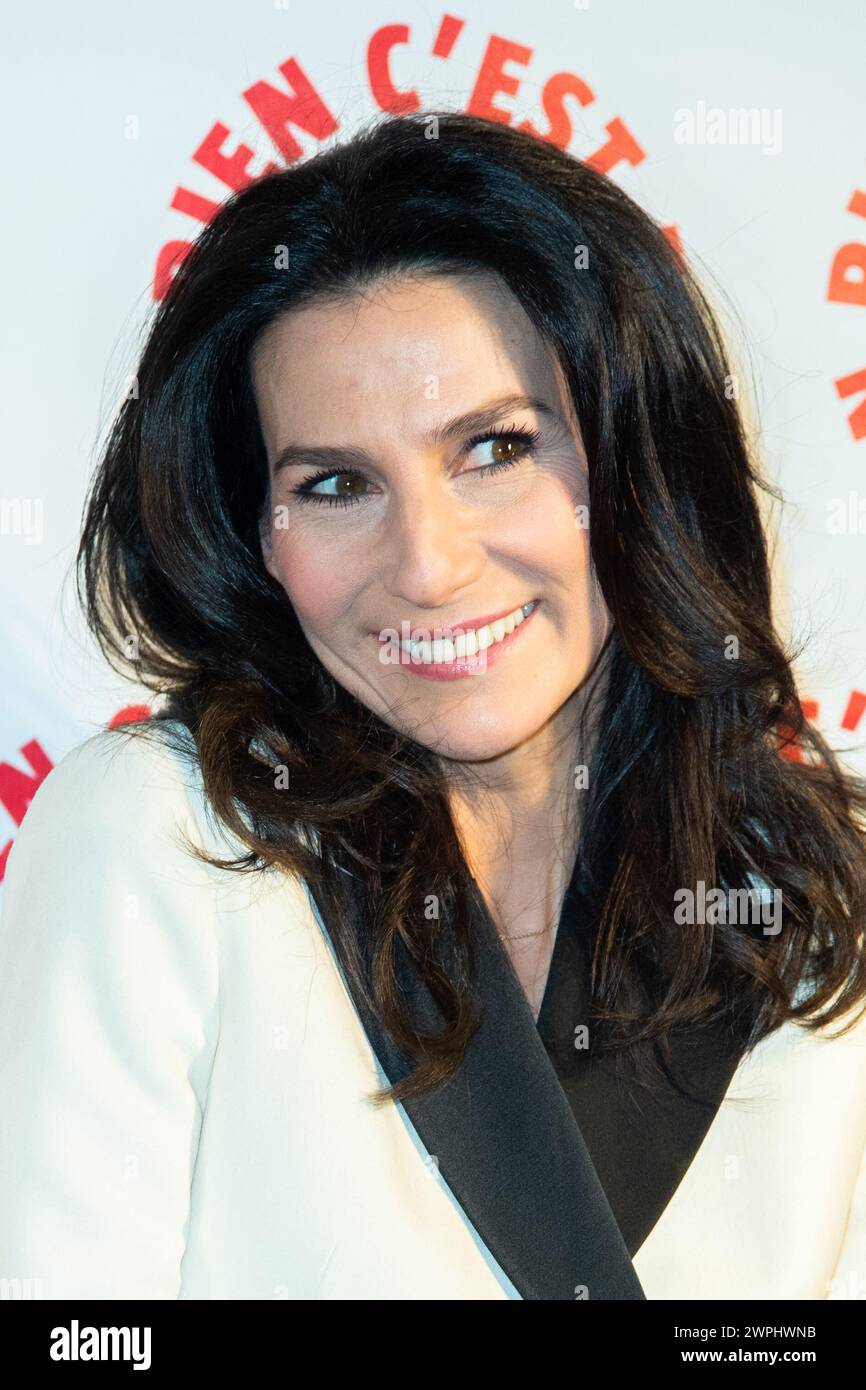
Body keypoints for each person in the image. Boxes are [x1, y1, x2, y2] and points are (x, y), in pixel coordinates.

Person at [1, 109, 865, 1301]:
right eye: (337, 483)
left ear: (633, 457)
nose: (428, 565)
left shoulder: (811, 895)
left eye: (494, 449)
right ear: (255, 532)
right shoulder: (161, 838)